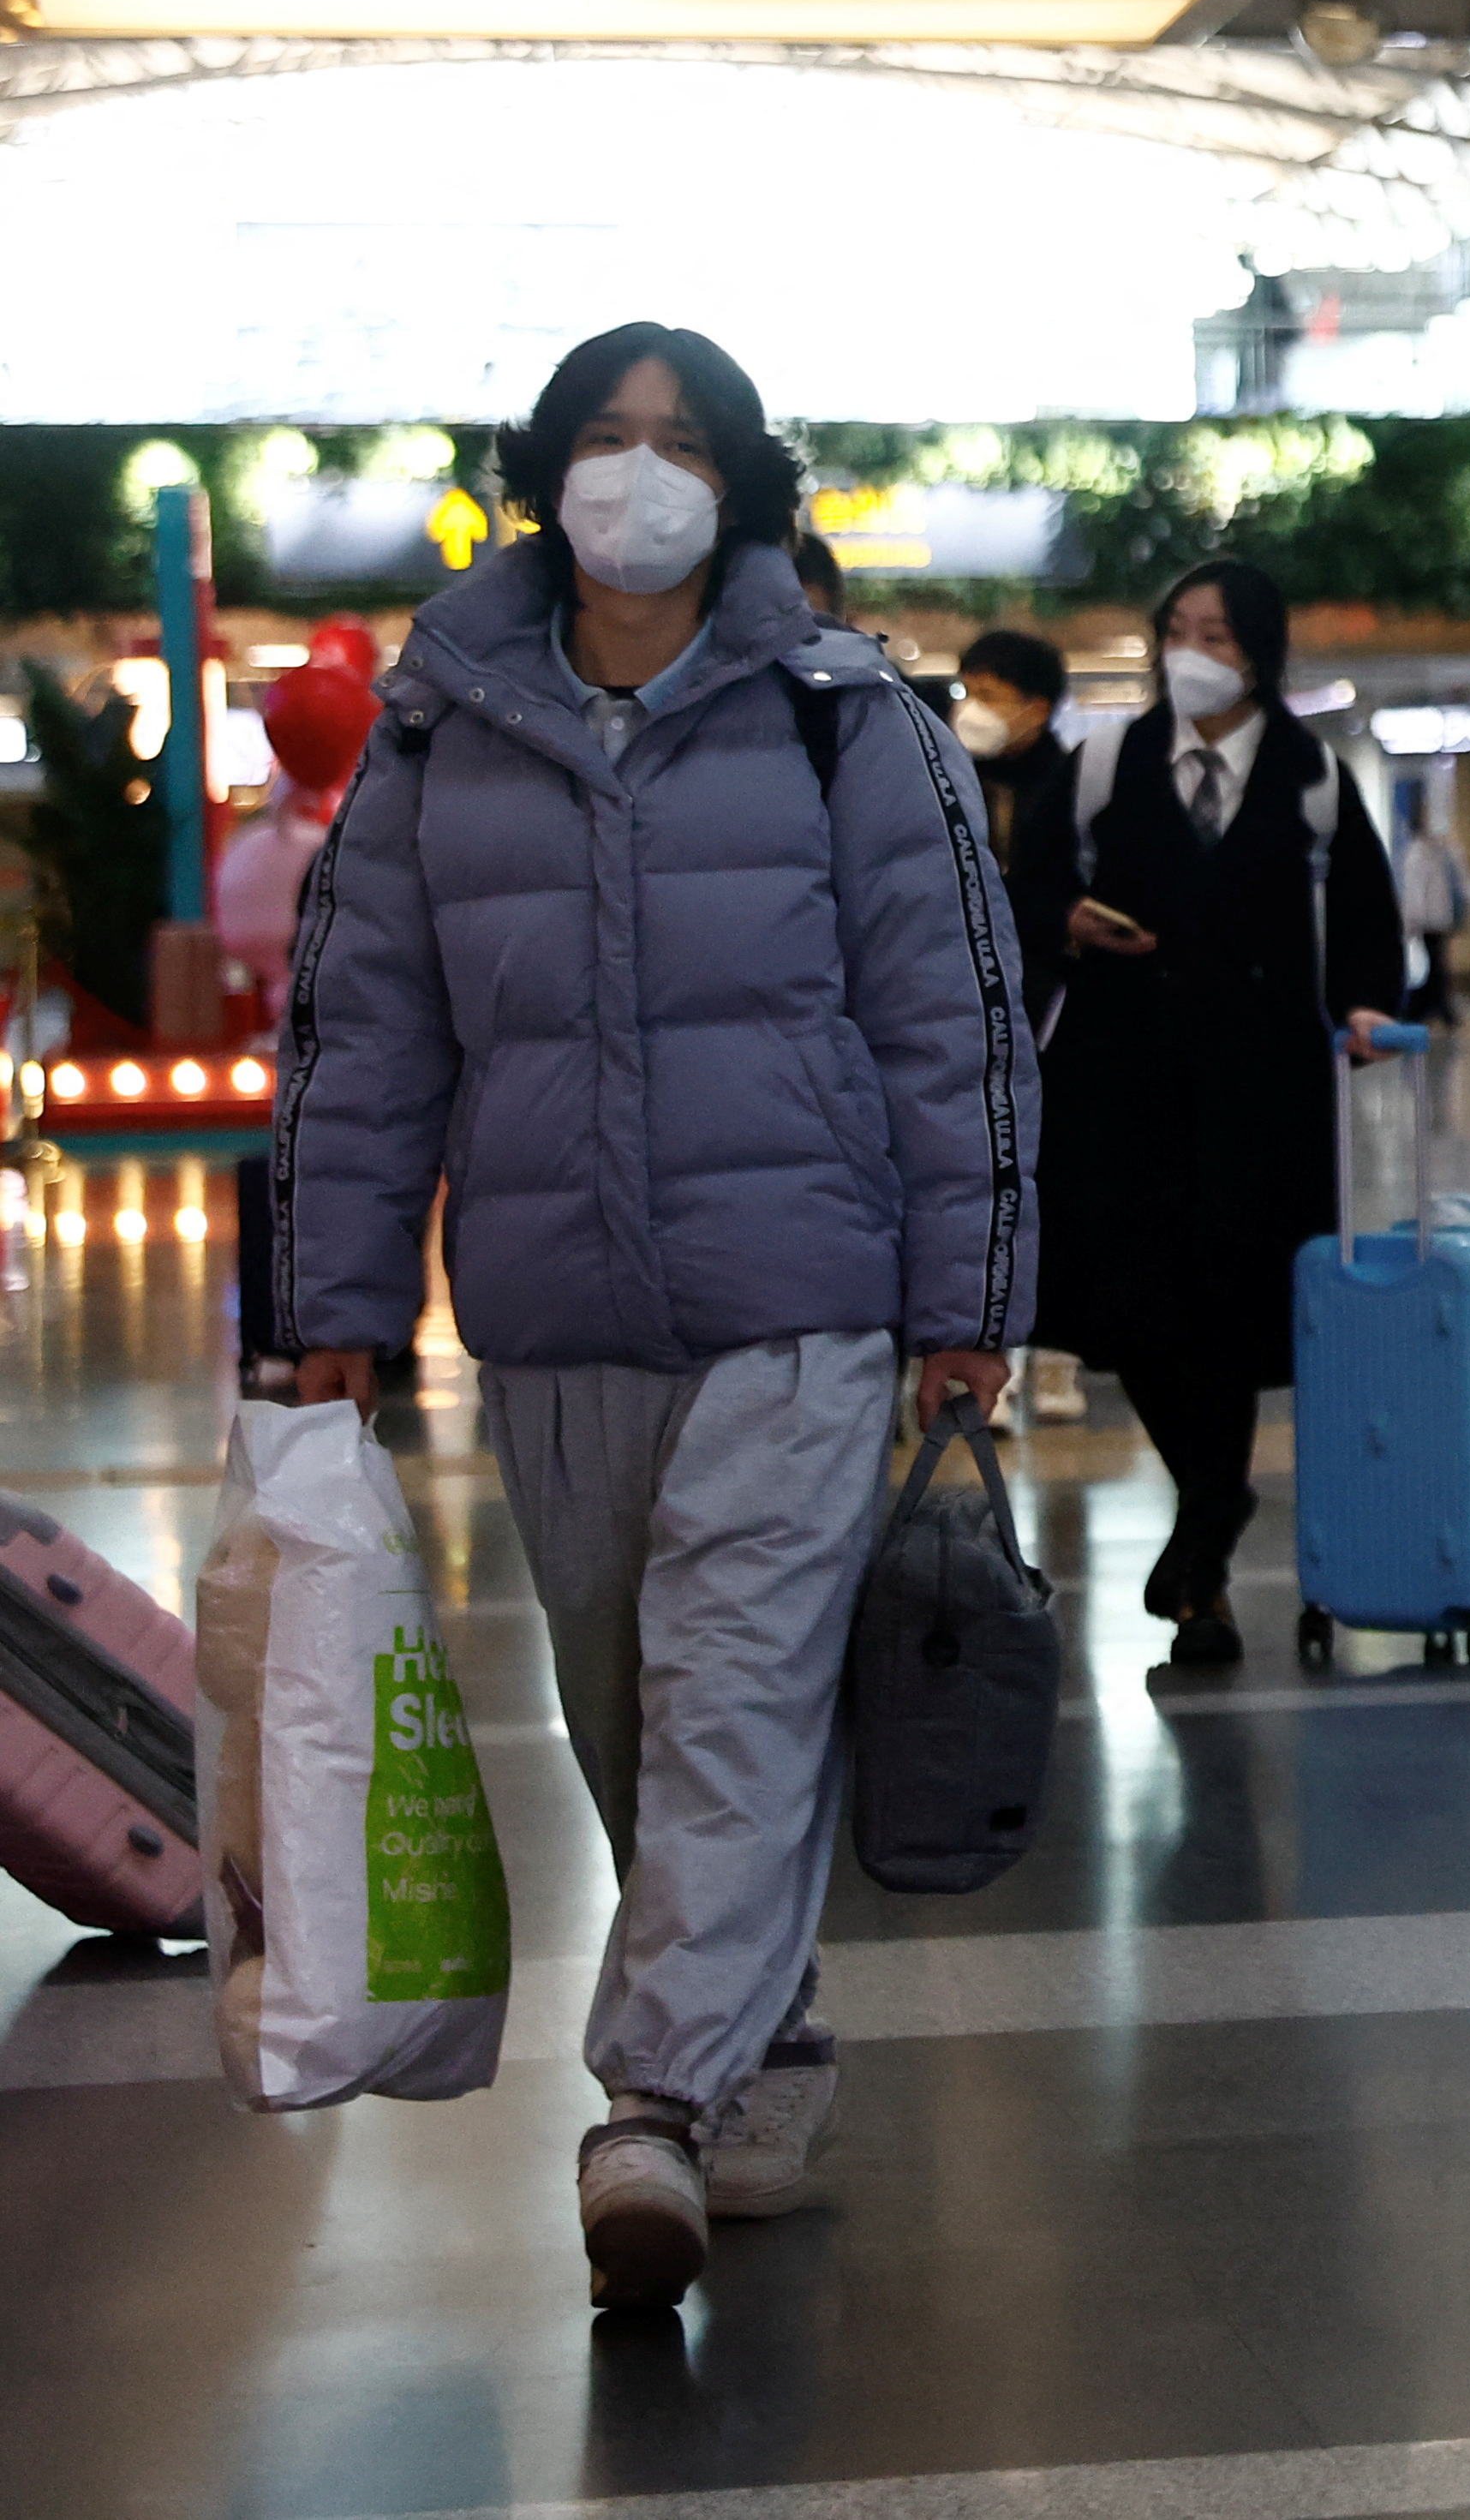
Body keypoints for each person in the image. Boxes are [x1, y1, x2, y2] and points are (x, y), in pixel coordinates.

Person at [274, 320, 1031, 2304]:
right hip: (550, 1314)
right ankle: (754, 2038)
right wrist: (332, 1310)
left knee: (741, 1686)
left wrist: (966, 1296)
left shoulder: (839, 717)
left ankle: (650, 2108)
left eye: (680, 440)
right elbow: (366, 1033)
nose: (639, 470)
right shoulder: (442, 729)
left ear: (742, 481)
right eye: (606, 437)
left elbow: (948, 1020)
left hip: (803, 1298)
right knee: (629, 1711)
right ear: (546, 474)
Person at [1019, 557, 1407, 1663]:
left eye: (1219, 635)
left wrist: (1369, 1009)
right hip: (1120, 1081)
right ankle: (1213, 1509)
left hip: (1262, 1091)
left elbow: (1370, 928)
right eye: (1178, 629)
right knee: (1138, 1311)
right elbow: (1024, 886)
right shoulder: (1104, 762)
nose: (1193, 651)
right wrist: (1070, 922)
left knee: (1229, 1317)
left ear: (1262, 653)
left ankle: (1203, 1570)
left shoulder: (1312, 777)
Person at [950, 627, 1089, 1423]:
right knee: (973, 1184)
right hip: (958, 1010)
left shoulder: (1073, 783)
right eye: (966, 690)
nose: (972, 710)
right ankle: (976, 1354)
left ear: (1036, 707)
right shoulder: (937, 775)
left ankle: (1058, 1360)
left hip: (1052, 1007)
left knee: (1055, 1180)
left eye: (990, 694)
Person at [1394, 787, 1470, 1030]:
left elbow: (1464, 882)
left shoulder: (1449, 853)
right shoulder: (1416, 853)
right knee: (1436, 965)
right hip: (1426, 922)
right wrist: (1411, 919)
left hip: (1444, 919)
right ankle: (1433, 1010)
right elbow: (1414, 890)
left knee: (1438, 964)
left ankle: (1430, 1009)